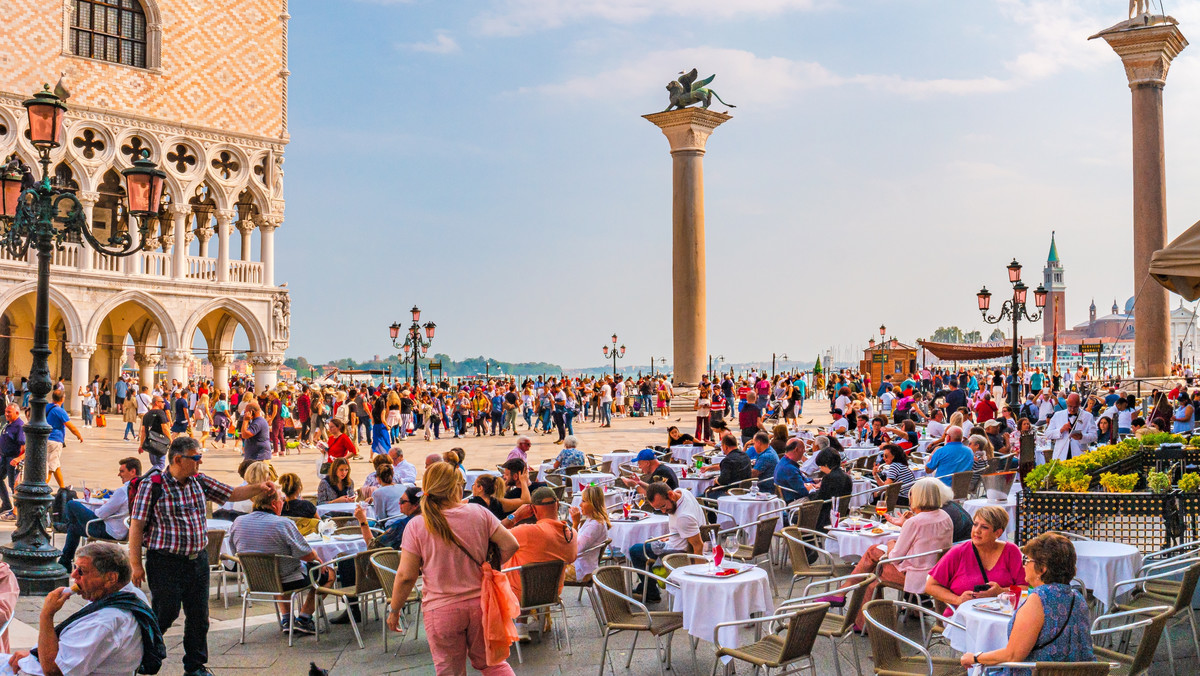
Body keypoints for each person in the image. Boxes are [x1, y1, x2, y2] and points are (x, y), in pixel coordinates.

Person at [128, 436, 274, 676]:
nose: (200, 462)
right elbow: (136, 525)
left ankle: (195, 666)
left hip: (198, 560)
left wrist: (259, 487)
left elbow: (232, 493)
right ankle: (147, 656)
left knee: (199, 616)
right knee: (166, 612)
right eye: (196, 458)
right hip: (165, 561)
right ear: (178, 459)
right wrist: (135, 564)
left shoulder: (200, 481)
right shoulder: (153, 485)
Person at [387, 462, 520, 675]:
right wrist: (488, 567)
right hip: (481, 604)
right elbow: (511, 544)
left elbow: (406, 576)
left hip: (441, 609)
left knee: (450, 671)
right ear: (455, 487)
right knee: (492, 664)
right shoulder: (478, 513)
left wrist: (395, 610)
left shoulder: (417, 525)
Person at [3, 542, 162, 676]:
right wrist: (33, 657)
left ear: (111, 578)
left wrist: (47, 615)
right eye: (75, 567)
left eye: (82, 571)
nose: (73, 575)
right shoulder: (131, 594)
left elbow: (53, 670)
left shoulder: (105, 622)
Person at [959, 533, 1095, 674]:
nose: (1023, 564)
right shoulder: (1076, 597)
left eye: (1026, 560)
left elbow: (1013, 655)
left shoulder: (1039, 599)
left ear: (1042, 569)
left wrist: (975, 657)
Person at [849, 477, 953, 629]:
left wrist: (891, 545)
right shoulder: (945, 517)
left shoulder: (915, 522)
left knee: (871, 577)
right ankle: (848, 595)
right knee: (875, 553)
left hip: (916, 577)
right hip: (937, 573)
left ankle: (865, 622)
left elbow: (895, 558)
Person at [227, 489, 323, 635]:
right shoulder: (283, 523)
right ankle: (304, 618)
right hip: (287, 580)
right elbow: (307, 554)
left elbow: (235, 552)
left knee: (277, 571)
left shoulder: (238, 522)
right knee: (326, 573)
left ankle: (287, 620)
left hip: (256, 580)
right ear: (273, 504)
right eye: (281, 500)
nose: (283, 503)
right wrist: (318, 559)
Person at [501, 486, 578, 640]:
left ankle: (507, 625)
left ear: (533, 510)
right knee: (528, 559)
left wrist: (515, 516)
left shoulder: (526, 532)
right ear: (557, 504)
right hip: (551, 592)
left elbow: (494, 534)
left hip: (517, 592)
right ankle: (521, 625)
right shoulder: (571, 534)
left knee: (509, 560)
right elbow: (572, 558)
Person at [926, 505, 1025, 615]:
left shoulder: (1011, 551)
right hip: (962, 617)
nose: (976, 531)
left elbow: (1025, 588)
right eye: (975, 524)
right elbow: (930, 586)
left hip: (1001, 615)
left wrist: (1001, 592)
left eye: (984, 527)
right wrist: (958, 600)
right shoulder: (958, 552)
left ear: (997, 533)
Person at [626, 483, 704, 603]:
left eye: (663, 506)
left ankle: (651, 592)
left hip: (676, 553)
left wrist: (699, 577)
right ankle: (648, 587)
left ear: (671, 495)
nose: (663, 511)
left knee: (634, 550)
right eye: (659, 509)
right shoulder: (682, 492)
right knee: (644, 545)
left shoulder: (683, 517)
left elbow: (698, 546)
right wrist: (671, 537)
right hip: (676, 541)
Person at [58, 456, 141, 568]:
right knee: (74, 528)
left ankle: (65, 524)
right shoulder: (141, 488)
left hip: (110, 530)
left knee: (72, 504)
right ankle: (65, 562)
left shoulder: (123, 491)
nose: (119, 475)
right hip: (124, 529)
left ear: (133, 472)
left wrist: (104, 505)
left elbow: (100, 514)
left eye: (122, 471)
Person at [566, 485, 610, 583]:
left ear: (594, 503)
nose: (580, 505)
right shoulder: (591, 520)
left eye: (584, 501)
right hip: (582, 564)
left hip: (580, 569)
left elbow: (575, 549)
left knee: (548, 573)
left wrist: (575, 524)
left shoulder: (595, 525)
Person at [808, 448, 853, 532]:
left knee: (795, 517)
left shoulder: (828, 478)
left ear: (825, 464)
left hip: (825, 519)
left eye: (821, 466)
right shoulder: (847, 477)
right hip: (841, 515)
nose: (820, 469)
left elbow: (818, 500)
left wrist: (811, 490)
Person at [46, 390, 82, 489]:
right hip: (55, 441)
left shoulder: (47, 407)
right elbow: (70, 426)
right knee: (51, 467)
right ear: (62, 399)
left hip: (46, 439)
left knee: (56, 465)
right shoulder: (60, 411)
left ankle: (62, 488)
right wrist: (79, 435)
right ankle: (42, 489)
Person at [1045, 392, 1098, 461]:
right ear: (1067, 403)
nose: (1072, 409)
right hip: (1061, 455)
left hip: (1079, 455)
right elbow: (1048, 434)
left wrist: (1082, 437)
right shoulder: (1057, 415)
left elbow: (1094, 436)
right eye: (1070, 406)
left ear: (1079, 404)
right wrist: (1061, 430)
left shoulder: (1088, 416)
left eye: (1075, 407)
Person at [702, 434, 751, 500]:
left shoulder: (727, 460)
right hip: (744, 490)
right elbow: (729, 466)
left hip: (729, 492)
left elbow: (722, 481)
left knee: (699, 498)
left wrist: (716, 480)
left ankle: (709, 510)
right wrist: (710, 468)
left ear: (725, 447)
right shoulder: (745, 456)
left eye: (722, 446)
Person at [0, 405, 23, 520]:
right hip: (4, 457)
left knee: (13, 484)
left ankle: (16, 510)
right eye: (5, 412)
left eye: (9, 412)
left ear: (17, 413)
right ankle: (6, 504)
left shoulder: (19, 426)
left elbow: (23, 446)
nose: (6, 414)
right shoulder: (8, 424)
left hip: (12, 458)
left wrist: (18, 459)